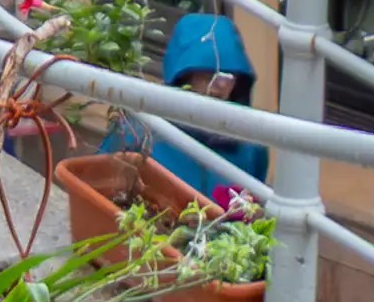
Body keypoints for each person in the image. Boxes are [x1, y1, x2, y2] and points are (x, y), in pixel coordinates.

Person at [109, 11, 269, 199]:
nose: (222, 84)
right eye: (210, 73)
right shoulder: (138, 130)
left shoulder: (251, 145)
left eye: (231, 75)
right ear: (184, 75)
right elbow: (99, 188)